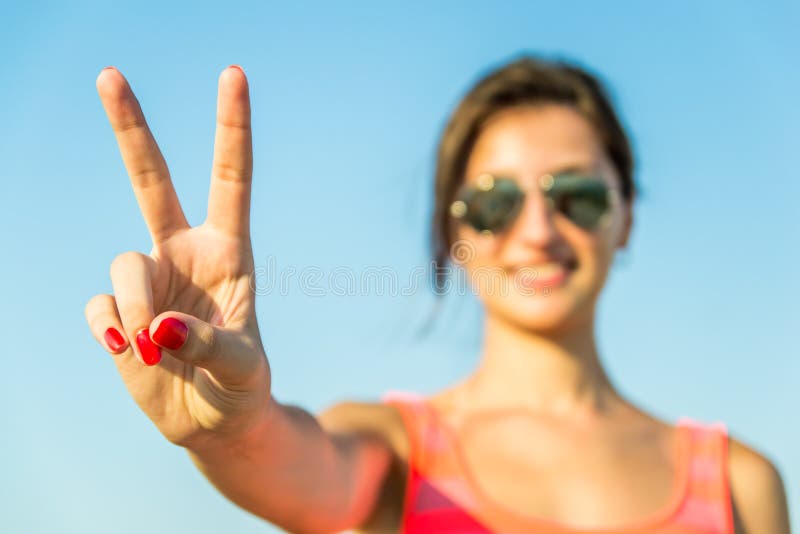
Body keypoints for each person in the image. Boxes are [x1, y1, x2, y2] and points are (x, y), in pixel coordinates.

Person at [84, 56, 791, 534]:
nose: (538, 231)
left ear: (626, 216)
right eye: (495, 202)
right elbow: (296, 465)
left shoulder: (741, 484)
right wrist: (231, 431)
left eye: (576, 196)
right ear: (451, 232)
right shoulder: (392, 449)